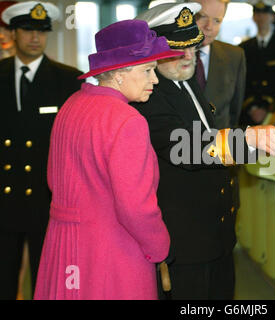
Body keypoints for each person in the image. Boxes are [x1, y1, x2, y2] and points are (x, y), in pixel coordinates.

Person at [133, 2, 275, 300]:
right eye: (178, 50)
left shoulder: (186, 82)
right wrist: (249, 140)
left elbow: (212, 138)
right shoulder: (150, 96)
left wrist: (259, 145)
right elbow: (185, 148)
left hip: (216, 235)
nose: (189, 56)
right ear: (154, 53)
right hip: (186, 241)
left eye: (192, 47)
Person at [34, 19, 182, 300]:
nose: (155, 79)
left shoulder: (71, 105)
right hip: (111, 255)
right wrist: (161, 247)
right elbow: (135, 207)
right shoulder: (127, 121)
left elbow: (53, 179)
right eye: (148, 70)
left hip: (64, 249)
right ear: (120, 73)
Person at [0, 1, 83, 300]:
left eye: (42, 31)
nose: (35, 37)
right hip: (4, 201)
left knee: (47, 284)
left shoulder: (69, 80)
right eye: (27, 29)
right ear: (13, 32)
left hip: (47, 202)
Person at [189, 0, 246, 130]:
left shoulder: (235, 56)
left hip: (217, 145)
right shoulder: (166, 56)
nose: (209, 26)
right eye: (202, 17)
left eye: (217, 21)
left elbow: (234, 112)